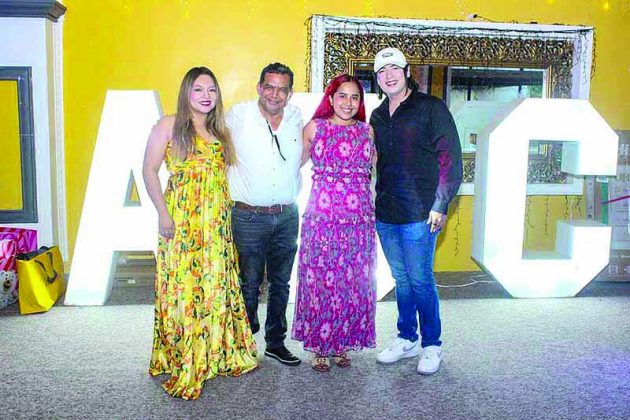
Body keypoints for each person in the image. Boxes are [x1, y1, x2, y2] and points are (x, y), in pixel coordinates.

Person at [143, 67, 257, 400]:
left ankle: (216, 353)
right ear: (186, 93)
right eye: (198, 90)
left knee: (215, 288)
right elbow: (149, 170)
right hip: (181, 222)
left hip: (216, 225)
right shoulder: (168, 125)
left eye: (211, 90)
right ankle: (185, 356)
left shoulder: (219, 132)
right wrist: (163, 214)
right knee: (183, 290)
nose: (206, 96)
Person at [370, 48, 463, 375]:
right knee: (402, 279)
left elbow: (451, 159)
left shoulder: (431, 108)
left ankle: (432, 344)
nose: (389, 75)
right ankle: (407, 337)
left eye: (395, 68)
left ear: (408, 72)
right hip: (386, 213)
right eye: (382, 71)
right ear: (377, 78)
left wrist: (441, 204)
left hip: (421, 212)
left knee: (421, 279)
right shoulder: (377, 116)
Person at [292, 74, 377, 372]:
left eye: (355, 97)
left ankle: (342, 343)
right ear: (330, 98)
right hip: (323, 220)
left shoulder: (367, 131)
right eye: (342, 95)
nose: (348, 103)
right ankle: (319, 345)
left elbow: (375, 173)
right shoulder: (315, 128)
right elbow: (292, 166)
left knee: (352, 282)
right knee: (321, 281)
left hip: (358, 221)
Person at [226, 63, 303, 366]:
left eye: (282, 89)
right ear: (259, 87)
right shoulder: (238, 116)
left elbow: (303, 154)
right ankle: (244, 344)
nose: (275, 94)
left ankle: (275, 342)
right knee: (249, 283)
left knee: (281, 284)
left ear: (290, 93)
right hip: (248, 217)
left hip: (287, 216)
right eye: (269, 87)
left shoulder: (296, 118)